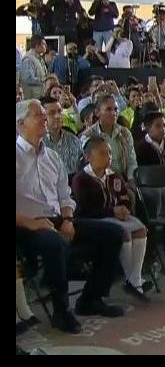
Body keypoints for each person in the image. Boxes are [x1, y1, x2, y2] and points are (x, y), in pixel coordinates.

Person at [16, 100, 125, 334]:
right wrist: (33, 224)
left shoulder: (52, 157)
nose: (45, 119)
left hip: (57, 220)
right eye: (39, 115)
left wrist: (67, 219)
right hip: (25, 226)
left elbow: (65, 196)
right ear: (20, 123)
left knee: (114, 233)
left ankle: (90, 299)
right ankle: (61, 310)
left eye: (45, 114)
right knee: (55, 244)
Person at [72, 136, 151, 301]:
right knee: (124, 233)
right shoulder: (81, 179)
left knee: (141, 229)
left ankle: (134, 277)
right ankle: (133, 281)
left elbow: (123, 196)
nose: (108, 157)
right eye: (102, 153)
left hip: (117, 215)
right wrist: (111, 212)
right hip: (96, 220)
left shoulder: (114, 176)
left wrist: (124, 208)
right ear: (88, 157)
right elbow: (85, 209)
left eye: (109, 153)